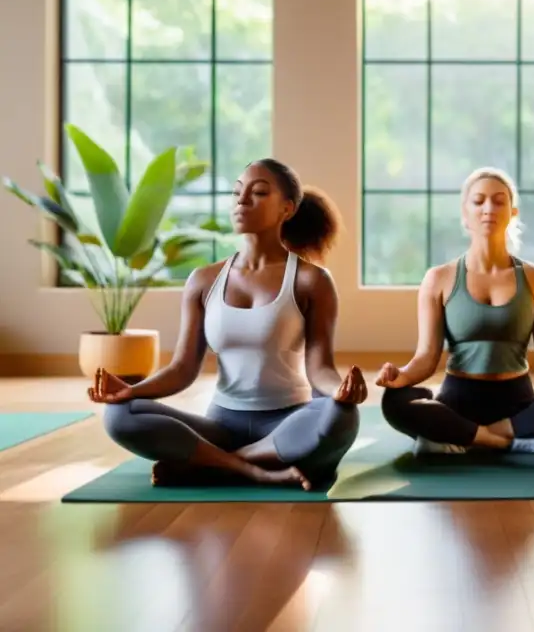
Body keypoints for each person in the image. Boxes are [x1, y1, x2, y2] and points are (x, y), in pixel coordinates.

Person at [88, 158, 367, 490]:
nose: (242, 200)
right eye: (238, 192)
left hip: (287, 422)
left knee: (342, 417)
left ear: (287, 209)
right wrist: (131, 391)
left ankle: (209, 465)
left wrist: (340, 392)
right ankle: (253, 468)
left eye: (259, 192)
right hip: (220, 425)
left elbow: (319, 368)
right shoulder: (204, 280)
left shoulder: (311, 281)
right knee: (120, 414)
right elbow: (182, 369)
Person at [375, 166, 534, 457]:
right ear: (465, 213)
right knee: (394, 402)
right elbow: (426, 357)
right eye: (478, 201)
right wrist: (399, 376)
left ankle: (461, 437)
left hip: (518, 403)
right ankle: (514, 443)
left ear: (513, 212)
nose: (489, 208)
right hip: (457, 401)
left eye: (499, 201)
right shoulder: (438, 278)